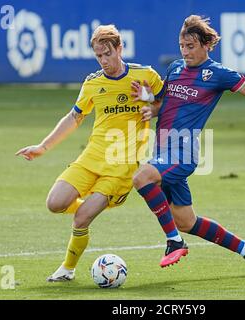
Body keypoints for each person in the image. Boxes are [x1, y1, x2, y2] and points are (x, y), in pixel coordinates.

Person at [131, 15, 245, 276]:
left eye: (191, 46)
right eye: (182, 46)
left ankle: (173, 241)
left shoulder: (218, 74)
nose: (185, 51)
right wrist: (150, 103)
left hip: (183, 152)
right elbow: (167, 104)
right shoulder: (174, 68)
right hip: (162, 151)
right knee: (186, 221)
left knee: (142, 178)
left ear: (206, 45)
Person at [15, 24, 164, 282]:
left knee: (81, 218)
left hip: (122, 166)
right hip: (92, 157)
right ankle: (92, 206)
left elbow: (169, 103)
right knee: (55, 203)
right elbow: (74, 117)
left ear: (120, 48)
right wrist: (43, 147)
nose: (104, 60)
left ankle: (67, 269)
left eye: (108, 53)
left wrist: (152, 103)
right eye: (99, 55)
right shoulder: (93, 83)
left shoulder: (145, 76)